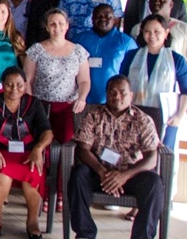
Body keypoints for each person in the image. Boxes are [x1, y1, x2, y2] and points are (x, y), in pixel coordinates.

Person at [69, 75, 163, 239]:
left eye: (122, 93)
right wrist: (102, 172)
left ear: (131, 95)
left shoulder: (143, 120)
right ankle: (85, 233)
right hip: (99, 174)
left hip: (131, 175)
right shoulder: (93, 116)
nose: (117, 96)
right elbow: (83, 149)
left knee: (154, 183)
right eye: (112, 92)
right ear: (106, 94)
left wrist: (123, 176)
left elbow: (152, 157)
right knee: (78, 175)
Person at [0, 67, 52, 239]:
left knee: (33, 172)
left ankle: (32, 222)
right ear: (2, 85)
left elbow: (47, 131)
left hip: (28, 153)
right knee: (1, 172)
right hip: (0, 152)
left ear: (25, 86)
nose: (14, 89)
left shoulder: (34, 103)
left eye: (19, 85)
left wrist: (39, 148)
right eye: (9, 85)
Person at [24, 9, 90, 212]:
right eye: (52, 24)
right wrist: (29, 104)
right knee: (41, 147)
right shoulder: (36, 49)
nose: (57, 27)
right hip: (41, 106)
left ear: (67, 25)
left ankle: (60, 191)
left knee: (64, 149)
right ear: (47, 26)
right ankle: (41, 189)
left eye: (61, 23)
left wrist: (82, 98)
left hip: (67, 107)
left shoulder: (78, 50)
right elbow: (28, 80)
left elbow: (84, 80)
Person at [121, 14, 187, 157]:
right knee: (132, 156)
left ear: (166, 33)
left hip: (165, 118)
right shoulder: (131, 56)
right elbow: (122, 83)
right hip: (134, 115)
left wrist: (179, 116)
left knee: (161, 158)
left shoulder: (176, 60)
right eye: (147, 31)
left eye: (157, 32)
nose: (151, 35)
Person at [71, 4, 137, 104]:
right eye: (99, 16)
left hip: (115, 101)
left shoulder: (126, 42)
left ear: (115, 19)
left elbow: (133, 72)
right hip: (82, 100)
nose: (103, 19)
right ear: (92, 19)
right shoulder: (78, 39)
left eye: (107, 16)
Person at [130, 0, 187, 71]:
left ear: (171, 5)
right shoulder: (138, 28)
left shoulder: (184, 29)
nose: (157, 3)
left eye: (162, 0)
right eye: (153, 0)